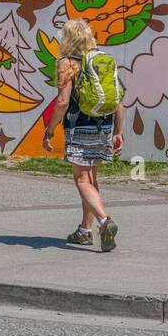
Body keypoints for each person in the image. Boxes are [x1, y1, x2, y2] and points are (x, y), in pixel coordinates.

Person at [44, 19, 124, 252]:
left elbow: (62, 102)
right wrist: (118, 132)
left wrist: (49, 131)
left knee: (81, 179)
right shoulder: (101, 59)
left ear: (67, 38)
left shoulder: (67, 62)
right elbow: (119, 100)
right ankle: (84, 231)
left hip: (80, 126)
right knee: (91, 178)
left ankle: (104, 221)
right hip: (104, 125)